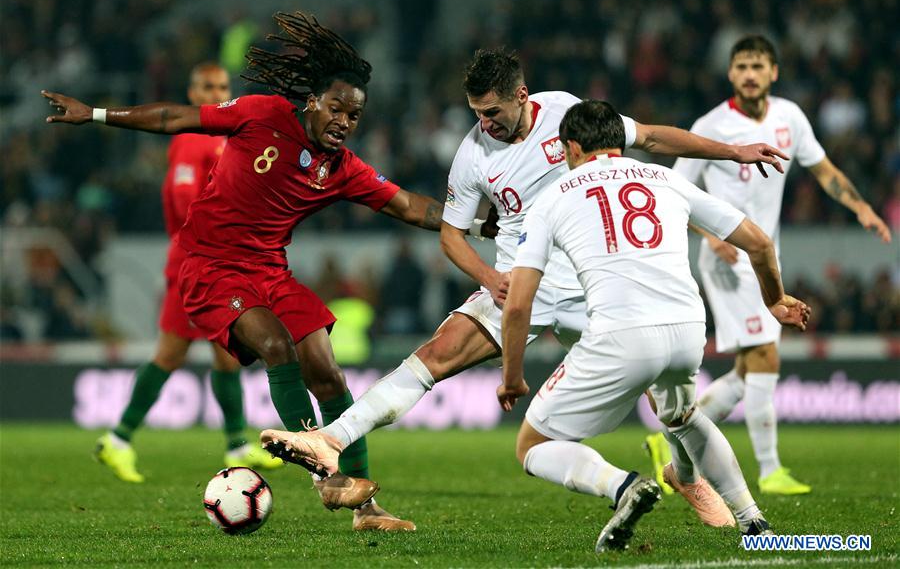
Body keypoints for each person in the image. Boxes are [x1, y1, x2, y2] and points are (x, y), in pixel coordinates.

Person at [257, 48, 788, 524]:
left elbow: (649, 135)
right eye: (475, 114)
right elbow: (452, 236)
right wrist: (489, 277)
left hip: (593, 277)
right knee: (436, 356)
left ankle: (687, 476)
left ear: (522, 96)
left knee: (671, 402)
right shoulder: (472, 155)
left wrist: (732, 152)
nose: (484, 124)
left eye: (492, 112)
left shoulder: (566, 113)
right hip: (521, 280)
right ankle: (332, 439)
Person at [43, 11, 494, 531]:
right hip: (210, 267)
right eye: (337, 109)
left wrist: (485, 226)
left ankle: (366, 510)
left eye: (355, 116)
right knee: (276, 346)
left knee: (327, 371)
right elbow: (174, 119)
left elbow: (412, 207)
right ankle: (322, 474)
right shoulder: (261, 115)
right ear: (312, 102)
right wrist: (96, 114)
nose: (345, 122)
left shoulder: (340, 168)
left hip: (269, 272)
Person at [497, 100, 810, 551]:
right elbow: (759, 243)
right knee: (682, 416)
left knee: (531, 445)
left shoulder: (552, 198)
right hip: (687, 329)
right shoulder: (666, 178)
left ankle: (622, 486)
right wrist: (775, 300)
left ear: (571, 146)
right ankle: (754, 522)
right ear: (620, 140)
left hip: (619, 333)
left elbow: (518, 304)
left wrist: (512, 377)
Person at [645, 35, 892, 496]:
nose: (750, 73)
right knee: (765, 357)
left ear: (774, 72)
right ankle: (770, 469)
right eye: (741, 66)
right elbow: (671, 192)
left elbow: (824, 171)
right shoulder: (711, 124)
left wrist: (861, 208)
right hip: (726, 258)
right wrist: (708, 234)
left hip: (764, 259)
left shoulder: (790, 117)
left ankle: (670, 442)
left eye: (758, 65)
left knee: (745, 376)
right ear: (730, 74)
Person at [94, 62, 281, 483]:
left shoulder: (223, 135)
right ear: (192, 92)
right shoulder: (192, 137)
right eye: (206, 87)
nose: (215, 93)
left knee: (226, 354)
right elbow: (181, 201)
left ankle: (236, 443)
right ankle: (118, 439)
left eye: (221, 86)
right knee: (171, 354)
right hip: (194, 265)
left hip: (216, 264)